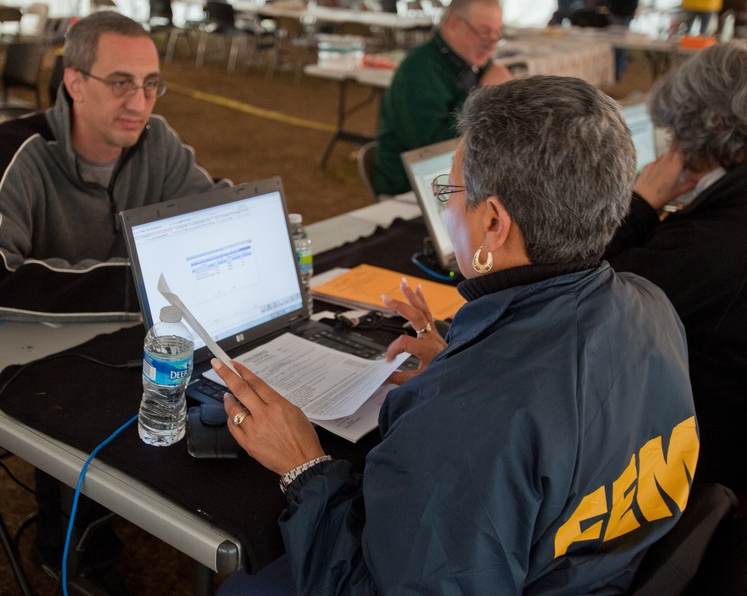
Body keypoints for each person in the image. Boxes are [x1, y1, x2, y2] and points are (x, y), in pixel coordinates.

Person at [215, 75, 698, 595]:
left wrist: (303, 468)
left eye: (449, 190)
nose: (445, 208)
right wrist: (465, 357)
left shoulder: (469, 420)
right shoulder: (649, 305)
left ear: (493, 222)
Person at [0, 10, 226, 590]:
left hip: (111, 337)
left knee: (196, 380)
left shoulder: (157, 143)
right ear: (74, 82)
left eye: (150, 84)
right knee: (84, 400)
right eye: (120, 82)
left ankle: (157, 509)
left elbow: (210, 221)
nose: (140, 102)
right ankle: (69, 548)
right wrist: (140, 286)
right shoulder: (14, 149)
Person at [603, 41, 747, 501]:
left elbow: (590, 302)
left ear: (711, 129)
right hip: (739, 448)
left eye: (676, 131)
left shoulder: (720, 244)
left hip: (690, 478)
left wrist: (638, 203)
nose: (671, 145)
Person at [373, 0, 511, 197]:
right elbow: (433, 150)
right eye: (484, 32)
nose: (491, 44)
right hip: (411, 191)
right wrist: (483, 95)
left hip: (459, 182)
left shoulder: (472, 62)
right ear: (454, 24)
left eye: (496, 34)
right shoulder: (418, 70)